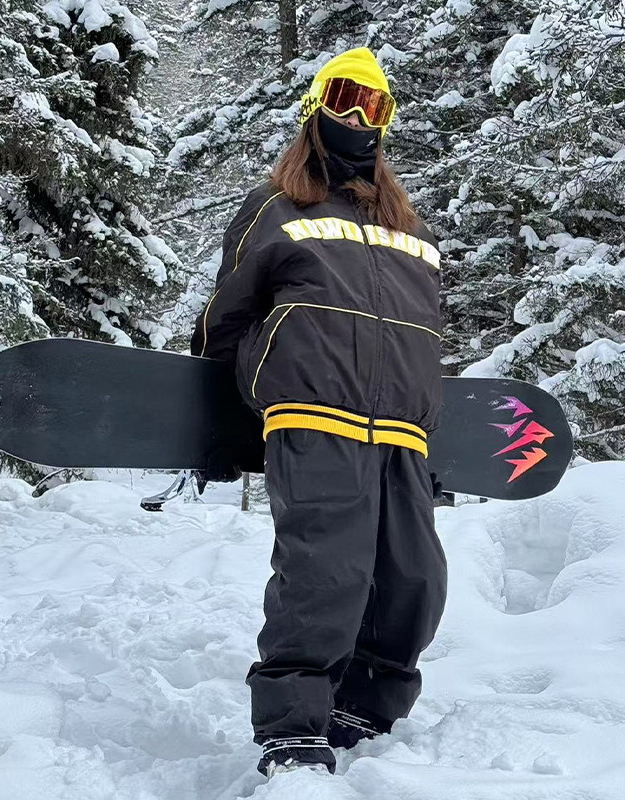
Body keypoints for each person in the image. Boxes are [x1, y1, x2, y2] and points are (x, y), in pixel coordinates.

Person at [190, 46, 447, 779]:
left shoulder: (412, 230)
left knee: (415, 583)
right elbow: (228, 315)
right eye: (344, 99)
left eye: (376, 107)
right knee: (324, 575)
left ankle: (363, 707)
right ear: (314, 109)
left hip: (400, 429)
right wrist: (220, 419)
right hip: (313, 413)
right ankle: (292, 726)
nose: (358, 119)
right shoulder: (275, 207)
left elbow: (418, 333)